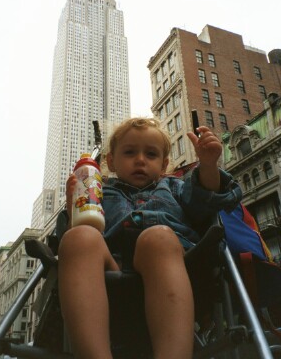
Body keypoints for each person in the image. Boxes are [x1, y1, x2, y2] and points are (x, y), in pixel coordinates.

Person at [58, 117, 242, 359]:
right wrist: (77, 207)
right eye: (130, 152)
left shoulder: (175, 187)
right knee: (78, 237)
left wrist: (207, 166)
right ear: (111, 161)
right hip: (111, 269)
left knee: (157, 238)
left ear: (164, 164)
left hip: (175, 264)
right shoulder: (100, 191)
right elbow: (84, 230)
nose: (140, 160)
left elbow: (204, 199)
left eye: (151, 154)